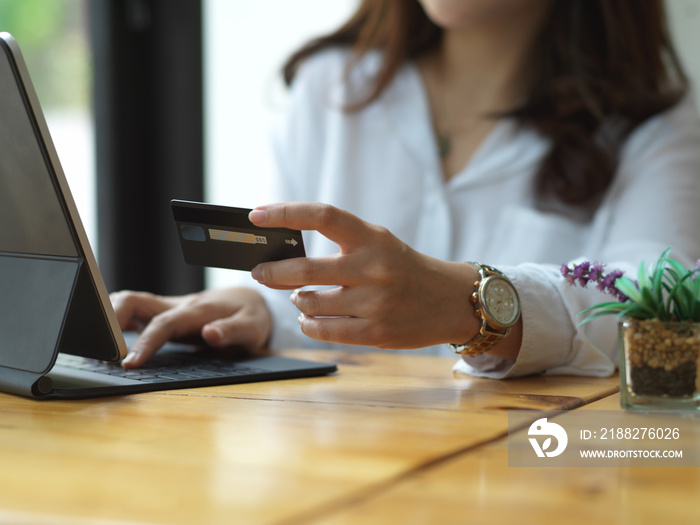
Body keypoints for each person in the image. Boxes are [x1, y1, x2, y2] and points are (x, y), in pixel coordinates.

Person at [112, 0, 700, 379]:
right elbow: (319, 295)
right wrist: (258, 310)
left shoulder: (656, 132)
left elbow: (663, 308)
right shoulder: (328, 89)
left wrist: (474, 302)